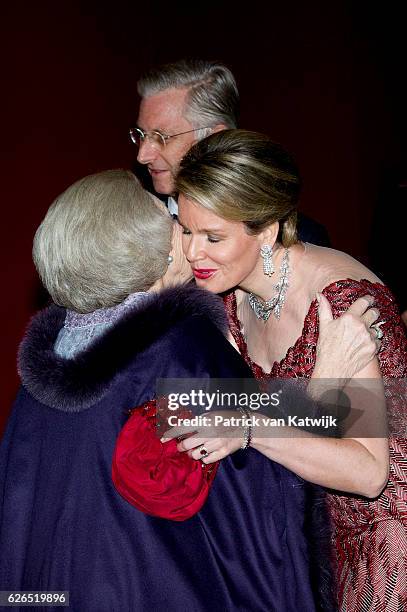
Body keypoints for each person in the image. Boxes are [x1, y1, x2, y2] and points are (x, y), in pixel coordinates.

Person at [0, 169, 378, 611]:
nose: (186, 237)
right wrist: (322, 390)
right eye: (175, 223)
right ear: (158, 255)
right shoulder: (177, 354)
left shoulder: (41, 378)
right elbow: (265, 502)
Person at [165, 129, 407, 611]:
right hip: (307, 538)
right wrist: (312, 394)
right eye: (186, 229)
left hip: (384, 543)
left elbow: (369, 473)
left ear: (269, 230)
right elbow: (202, 410)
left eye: (213, 237)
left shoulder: (343, 305)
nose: (193, 253)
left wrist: (251, 424)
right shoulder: (232, 297)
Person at [132, 58, 331, 245]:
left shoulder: (296, 239)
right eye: (141, 134)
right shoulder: (129, 223)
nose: (142, 156)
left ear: (213, 138)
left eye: (161, 137)